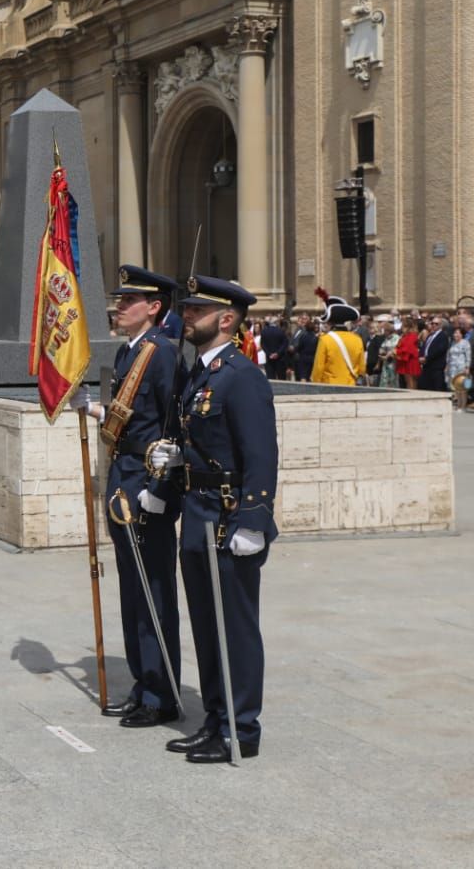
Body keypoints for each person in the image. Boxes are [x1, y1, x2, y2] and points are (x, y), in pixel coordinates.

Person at [167, 275, 278, 764]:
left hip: (230, 517)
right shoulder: (200, 373)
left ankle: (241, 728)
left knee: (234, 626)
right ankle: (215, 717)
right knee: (207, 627)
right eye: (186, 308)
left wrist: (254, 519)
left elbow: (261, 454)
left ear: (226, 319)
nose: (186, 316)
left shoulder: (242, 375)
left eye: (196, 310)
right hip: (197, 514)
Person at [80, 266, 183, 730]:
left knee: (152, 589)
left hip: (143, 482)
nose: (118, 307)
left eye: (128, 301)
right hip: (123, 475)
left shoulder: (160, 354)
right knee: (132, 589)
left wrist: (159, 490)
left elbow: (173, 426)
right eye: (119, 300)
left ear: (154, 307)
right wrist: (96, 409)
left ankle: (161, 693)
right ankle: (143, 684)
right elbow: (132, 417)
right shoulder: (130, 351)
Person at [309, 298, 365, 385]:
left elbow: (319, 366)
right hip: (351, 385)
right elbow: (362, 368)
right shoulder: (357, 339)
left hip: (330, 385)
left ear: (330, 322)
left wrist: (315, 382)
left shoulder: (325, 339)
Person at [419, 315, 450, 393]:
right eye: (432, 323)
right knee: (426, 387)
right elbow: (424, 347)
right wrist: (420, 356)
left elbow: (439, 350)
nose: (433, 325)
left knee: (437, 388)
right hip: (427, 365)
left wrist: (426, 358)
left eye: (436, 324)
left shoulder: (443, 336)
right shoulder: (430, 335)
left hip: (436, 366)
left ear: (440, 325)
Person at [447, 322, 473, 411]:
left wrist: (467, 367)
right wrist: (447, 365)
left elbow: (468, 355)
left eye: (458, 333)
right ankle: (458, 404)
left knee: (462, 387)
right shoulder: (452, 343)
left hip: (462, 367)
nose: (456, 335)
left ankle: (463, 405)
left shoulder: (465, 343)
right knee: (455, 387)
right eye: (455, 333)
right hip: (452, 367)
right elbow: (449, 355)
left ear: (462, 334)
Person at [257, 315, 288, 381]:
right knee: (281, 378)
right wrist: (277, 353)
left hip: (269, 359)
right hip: (280, 359)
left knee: (270, 378)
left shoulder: (264, 331)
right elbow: (284, 344)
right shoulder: (281, 331)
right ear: (277, 322)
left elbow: (263, 344)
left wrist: (269, 354)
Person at [395, 320, 422, 390]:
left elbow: (407, 348)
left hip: (411, 361)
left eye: (404, 327)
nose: (402, 329)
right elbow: (399, 346)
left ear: (409, 328)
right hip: (405, 361)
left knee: (411, 381)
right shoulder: (404, 336)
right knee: (407, 381)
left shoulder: (412, 336)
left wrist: (396, 351)